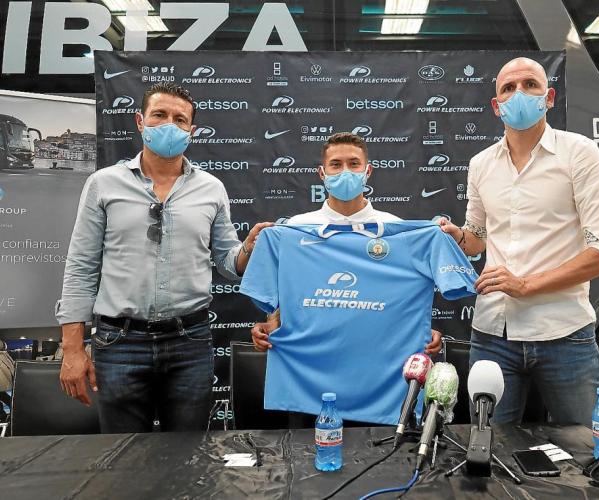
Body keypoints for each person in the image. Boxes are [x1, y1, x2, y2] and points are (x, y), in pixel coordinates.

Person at [56, 82, 270, 433]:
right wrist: (72, 348)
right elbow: (81, 267)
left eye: (179, 119)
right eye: (159, 115)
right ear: (140, 121)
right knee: (124, 455)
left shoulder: (211, 188)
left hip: (189, 341)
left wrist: (247, 248)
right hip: (119, 342)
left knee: (187, 454)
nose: (170, 124)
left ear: (191, 131)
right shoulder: (103, 184)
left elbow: (229, 264)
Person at [440, 57, 599, 426]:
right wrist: (457, 237)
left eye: (530, 85)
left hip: (564, 334)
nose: (519, 94)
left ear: (549, 97)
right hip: (492, 335)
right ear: (496, 105)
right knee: (487, 449)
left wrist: (526, 285)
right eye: (508, 88)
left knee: (588, 446)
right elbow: (477, 238)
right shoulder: (481, 164)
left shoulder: (580, 154)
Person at [250, 132, 442, 355]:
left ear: (367, 171)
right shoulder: (295, 228)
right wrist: (271, 323)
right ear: (322, 173)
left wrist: (419, 329)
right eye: (336, 165)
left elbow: (407, 294)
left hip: (375, 352)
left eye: (353, 164)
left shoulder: (396, 229)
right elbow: (281, 288)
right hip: (313, 353)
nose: (345, 172)